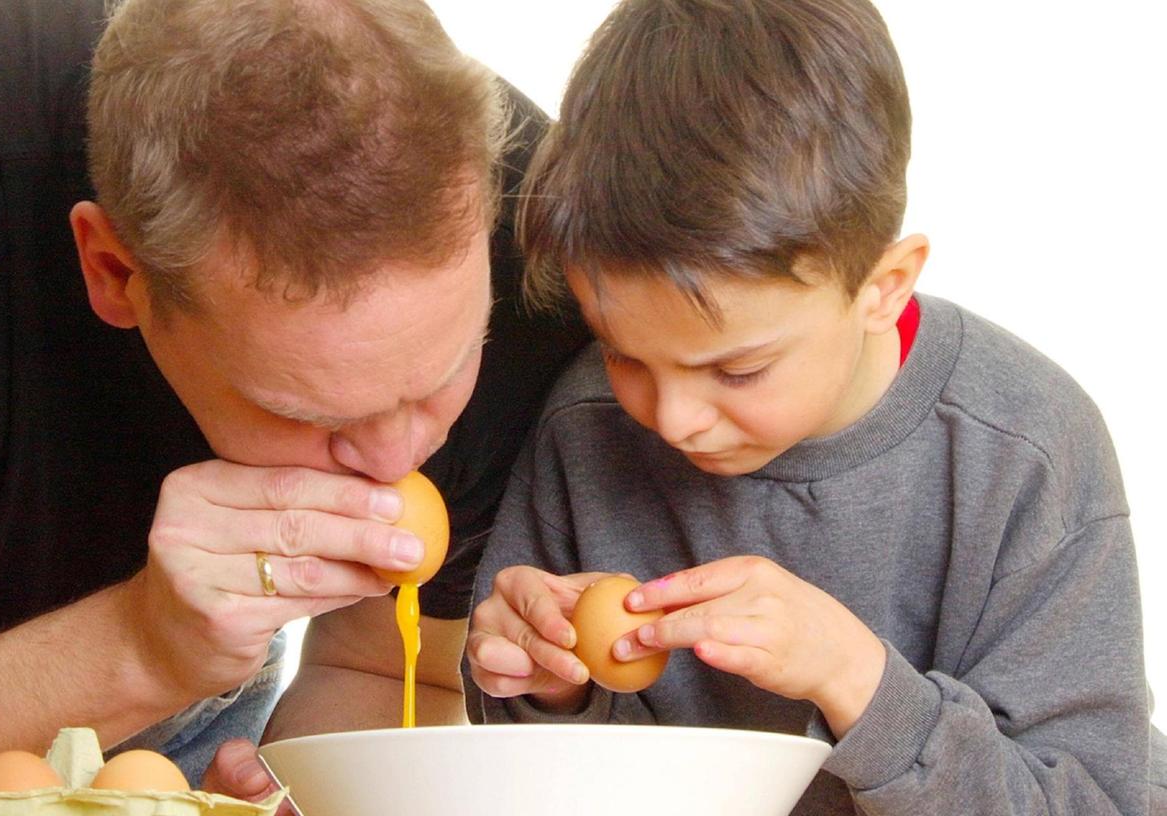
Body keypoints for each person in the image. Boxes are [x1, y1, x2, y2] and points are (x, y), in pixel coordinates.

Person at [0, 0, 587, 806]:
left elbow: (382, 668)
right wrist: (142, 646)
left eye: (439, 375)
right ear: (113, 271)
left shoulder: (533, 238)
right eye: (313, 417)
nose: (397, 464)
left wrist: (299, 787)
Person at [463, 0, 1165, 812]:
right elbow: (563, 785)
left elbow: (1088, 800)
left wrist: (856, 679)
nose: (674, 416)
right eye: (623, 353)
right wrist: (546, 690)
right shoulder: (583, 425)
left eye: (738, 370)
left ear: (882, 286)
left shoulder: (1019, 448)